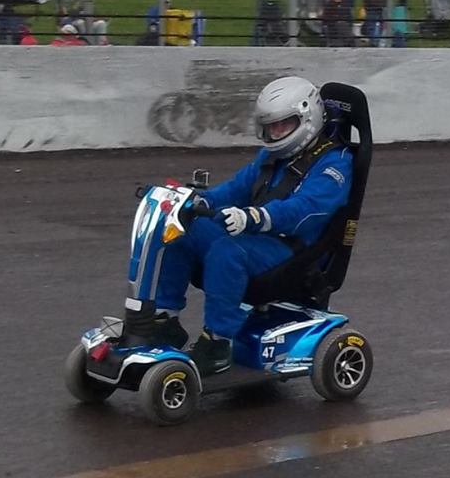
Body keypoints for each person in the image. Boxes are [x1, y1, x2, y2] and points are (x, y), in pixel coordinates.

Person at [120, 76, 356, 377]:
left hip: (294, 250)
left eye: (283, 125)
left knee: (226, 250)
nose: (276, 132)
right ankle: (165, 320)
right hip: (259, 238)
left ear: (307, 118)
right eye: (271, 126)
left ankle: (217, 341)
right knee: (179, 228)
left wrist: (256, 217)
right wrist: (194, 201)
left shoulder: (335, 164)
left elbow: (307, 210)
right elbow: (235, 189)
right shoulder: (272, 156)